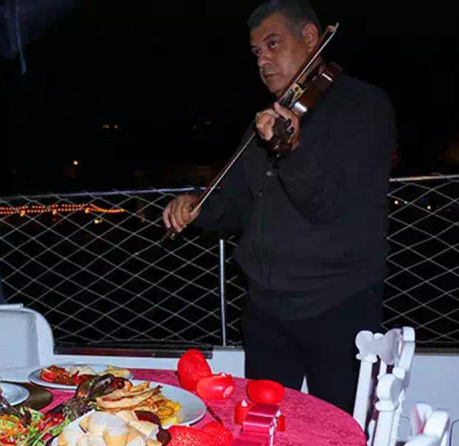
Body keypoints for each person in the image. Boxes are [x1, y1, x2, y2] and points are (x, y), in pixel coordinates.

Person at [161, 0, 395, 413]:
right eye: (256, 53)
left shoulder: (364, 107)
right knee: (262, 426)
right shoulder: (268, 121)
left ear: (309, 37)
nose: (262, 60)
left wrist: (292, 149)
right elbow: (236, 204)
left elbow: (328, 204)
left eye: (273, 44)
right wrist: (198, 207)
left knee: (337, 431)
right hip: (266, 308)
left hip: (338, 305)